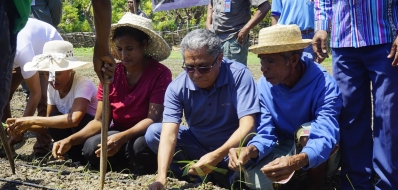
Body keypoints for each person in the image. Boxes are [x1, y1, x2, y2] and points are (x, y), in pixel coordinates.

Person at [51, 13, 172, 173]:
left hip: (142, 133)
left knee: (139, 147)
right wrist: (71, 140)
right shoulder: (110, 73)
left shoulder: (160, 73)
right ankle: (125, 162)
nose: (123, 55)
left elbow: (152, 119)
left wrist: (122, 138)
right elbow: (100, 121)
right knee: (90, 147)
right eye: (119, 49)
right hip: (118, 131)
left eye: (129, 49)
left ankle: (136, 162)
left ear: (143, 45)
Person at [227, 24, 342, 190]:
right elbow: (266, 133)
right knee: (253, 181)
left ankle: (316, 184)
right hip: (286, 148)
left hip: (321, 151)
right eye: (262, 60)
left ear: (293, 60)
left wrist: (297, 161)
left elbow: (325, 133)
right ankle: (295, 178)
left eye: (271, 61)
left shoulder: (324, 85)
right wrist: (250, 150)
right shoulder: (264, 87)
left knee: (307, 132)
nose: (263, 68)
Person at [146, 29, 260, 189]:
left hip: (234, 149)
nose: (196, 74)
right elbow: (168, 135)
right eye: (190, 68)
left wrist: (217, 155)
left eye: (204, 67)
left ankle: (221, 173)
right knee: (154, 133)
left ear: (220, 59)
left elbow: (248, 126)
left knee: (248, 180)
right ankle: (195, 176)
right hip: (198, 146)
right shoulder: (177, 88)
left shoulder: (239, 76)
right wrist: (161, 177)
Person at [312, 0, 398, 189]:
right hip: (344, 42)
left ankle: (388, 183)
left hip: (385, 39)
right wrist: (321, 26)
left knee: (388, 115)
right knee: (350, 115)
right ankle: (355, 182)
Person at [6, 40, 98, 163]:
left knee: (68, 119)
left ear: (70, 69)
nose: (51, 79)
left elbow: (75, 119)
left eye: (57, 73)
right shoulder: (53, 87)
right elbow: (49, 125)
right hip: (73, 140)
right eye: (46, 74)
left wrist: (30, 119)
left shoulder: (82, 84)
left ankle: (83, 158)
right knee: (54, 118)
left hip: (91, 135)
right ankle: (74, 157)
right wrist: (24, 126)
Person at [2, 18, 63, 157]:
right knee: (2, 95)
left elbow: (35, 93)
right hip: (22, 54)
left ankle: (42, 149)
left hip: (47, 50)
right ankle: (4, 141)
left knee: (44, 98)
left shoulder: (21, 50)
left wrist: (22, 126)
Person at [0, 0, 31, 156]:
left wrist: (24, 124)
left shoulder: (26, 58)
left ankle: (41, 146)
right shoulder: (23, 54)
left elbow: (37, 94)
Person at [205, 0, 270, 65]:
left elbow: (265, 6)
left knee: (234, 72)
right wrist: (208, 24)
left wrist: (245, 29)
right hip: (215, 39)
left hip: (233, 39)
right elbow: (211, 4)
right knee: (217, 72)